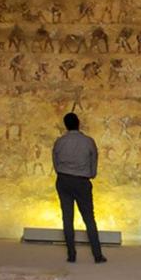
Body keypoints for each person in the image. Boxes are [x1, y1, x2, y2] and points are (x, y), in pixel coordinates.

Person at [52, 112, 107, 264]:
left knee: (67, 217)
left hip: (63, 180)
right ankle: (97, 255)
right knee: (89, 218)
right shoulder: (88, 141)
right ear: (78, 123)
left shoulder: (60, 142)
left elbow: (55, 163)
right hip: (82, 181)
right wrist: (90, 174)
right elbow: (93, 163)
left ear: (65, 125)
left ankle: (71, 254)